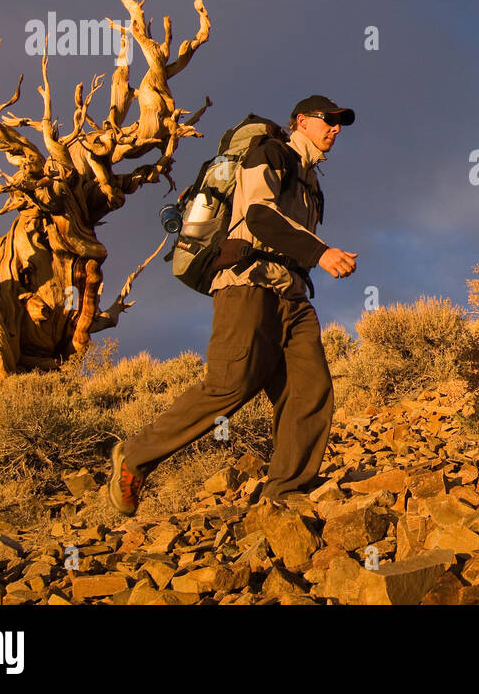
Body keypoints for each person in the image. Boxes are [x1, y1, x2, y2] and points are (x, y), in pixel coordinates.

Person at [109, 95, 359, 515]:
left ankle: (286, 493)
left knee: (309, 389)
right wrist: (321, 253)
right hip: (248, 284)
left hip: (292, 296)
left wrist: (308, 261)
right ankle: (134, 456)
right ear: (301, 121)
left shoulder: (312, 181)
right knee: (231, 383)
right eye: (327, 120)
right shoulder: (270, 153)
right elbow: (260, 216)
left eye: (340, 123)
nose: (335, 128)